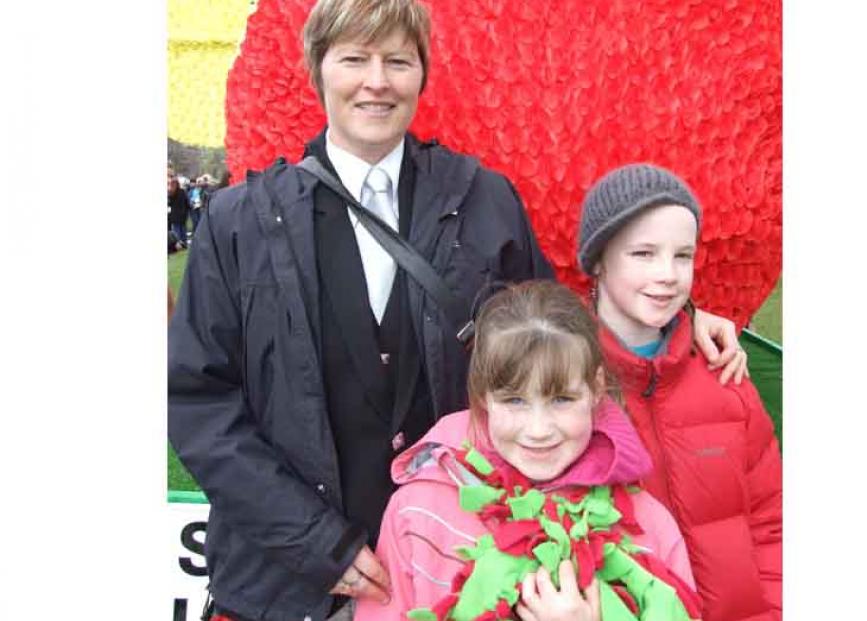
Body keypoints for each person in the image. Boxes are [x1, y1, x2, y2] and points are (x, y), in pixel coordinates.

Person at [168, 2, 746, 620]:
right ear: (319, 69)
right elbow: (197, 401)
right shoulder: (240, 222)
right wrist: (314, 542)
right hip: (285, 586)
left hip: (458, 570)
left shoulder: (484, 198)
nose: (377, 80)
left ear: (422, 73)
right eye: (355, 59)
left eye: (397, 60)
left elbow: (554, 340)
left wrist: (677, 320)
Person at [355, 281, 702, 621]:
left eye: (562, 399)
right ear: (483, 396)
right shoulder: (417, 513)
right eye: (515, 400)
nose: (538, 430)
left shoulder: (645, 525)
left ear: (596, 388)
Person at [576, 164, 782, 621]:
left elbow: (772, 519)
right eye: (644, 253)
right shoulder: (564, 386)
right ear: (598, 260)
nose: (667, 274)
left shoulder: (724, 373)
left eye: (682, 255)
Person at [167, 170, 190, 249]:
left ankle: (179, 244)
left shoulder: (172, 193)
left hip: (175, 215)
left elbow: (170, 202)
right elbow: (187, 203)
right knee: (182, 230)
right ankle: (184, 243)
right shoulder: (182, 191)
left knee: (177, 231)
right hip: (183, 214)